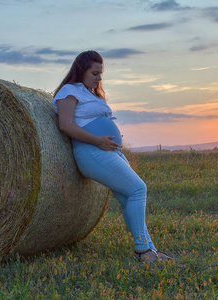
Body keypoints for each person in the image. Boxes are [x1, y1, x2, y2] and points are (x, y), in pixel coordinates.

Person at [52, 50, 174, 262]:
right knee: (138, 189)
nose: (99, 78)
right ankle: (143, 251)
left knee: (130, 197)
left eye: (101, 74)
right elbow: (66, 125)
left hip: (108, 151)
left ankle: (150, 250)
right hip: (90, 151)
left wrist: (111, 134)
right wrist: (99, 139)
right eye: (95, 73)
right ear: (81, 70)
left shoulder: (91, 94)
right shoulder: (69, 91)